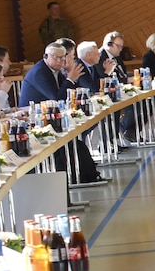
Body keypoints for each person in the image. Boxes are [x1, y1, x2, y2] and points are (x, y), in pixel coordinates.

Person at [21, 41, 106, 183]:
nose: (60, 61)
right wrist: (70, 78)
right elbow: (57, 97)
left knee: (74, 141)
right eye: (56, 57)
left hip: (53, 116)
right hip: (35, 119)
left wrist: (71, 78)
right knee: (69, 142)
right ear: (46, 56)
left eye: (62, 58)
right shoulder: (40, 72)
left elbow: (71, 93)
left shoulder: (56, 71)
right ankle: (75, 177)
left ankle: (84, 175)